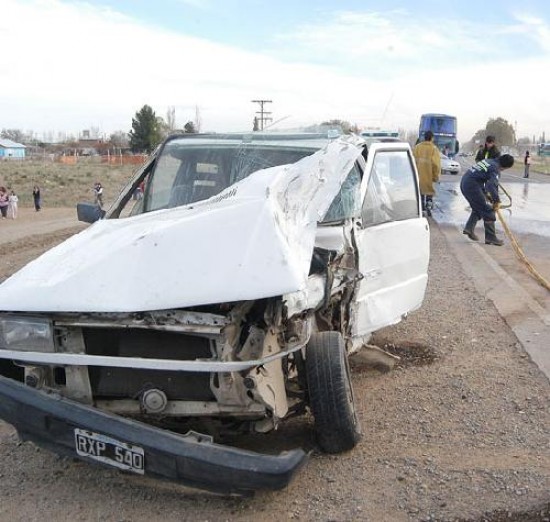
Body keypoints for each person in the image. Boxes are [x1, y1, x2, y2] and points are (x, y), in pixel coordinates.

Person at [460, 154, 514, 246]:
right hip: (472, 186)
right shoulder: (495, 168)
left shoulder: (489, 161)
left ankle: (469, 229)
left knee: (478, 208)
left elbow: (482, 179)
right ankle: (491, 238)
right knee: (488, 210)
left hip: (465, 183)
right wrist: (496, 201)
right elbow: (491, 185)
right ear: (505, 166)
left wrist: (487, 195)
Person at [413, 130, 441, 217]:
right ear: (432, 138)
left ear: (424, 137)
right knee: (429, 194)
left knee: (420, 194)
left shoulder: (417, 147)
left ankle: (421, 210)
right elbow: (436, 165)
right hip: (429, 177)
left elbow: (413, 161)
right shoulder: (434, 149)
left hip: (418, 176)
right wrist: (436, 177)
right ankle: (428, 208)